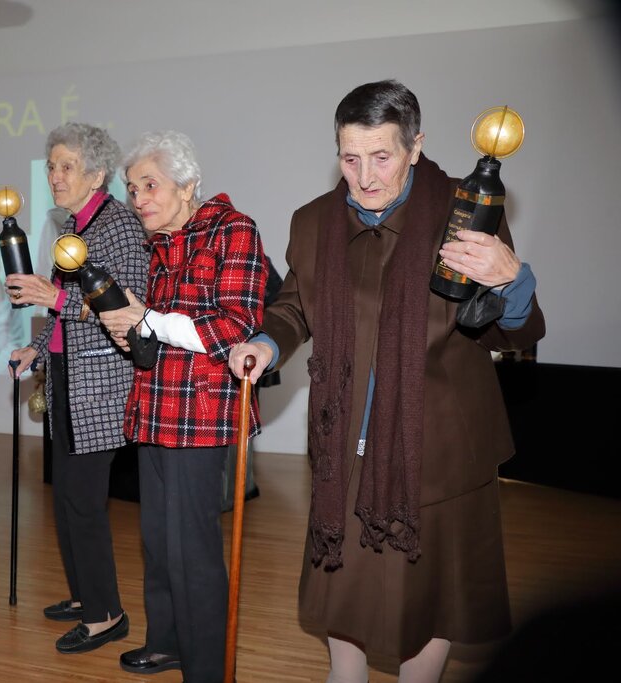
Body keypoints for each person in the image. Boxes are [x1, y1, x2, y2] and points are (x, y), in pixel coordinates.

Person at [228, 80, 545, 682]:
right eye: (350, 159)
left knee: (430, 593)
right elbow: (294, 307)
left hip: (439, 447)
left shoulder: (466, 215)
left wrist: (510, 280)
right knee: (342, 577)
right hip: (346, 441)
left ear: (415, 146)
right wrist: (266, 344)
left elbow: (513, 335)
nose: (366, 176)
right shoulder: (314, 222)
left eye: (382, 156)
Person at [100, 130, 267, 683]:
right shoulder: (159, 246)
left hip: (202, 416)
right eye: (132, 189)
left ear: (188, 184)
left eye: (150, 184)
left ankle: (208, 667)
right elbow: (162, 334)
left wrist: (148, 320)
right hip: (154, 409)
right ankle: (167, 642)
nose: (138, 197)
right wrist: (133, 331)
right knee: (157, 542)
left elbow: (234, 326)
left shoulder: (233, 229)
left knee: (191, 549)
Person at [7, 122, 148, 655]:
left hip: (103, 384)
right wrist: (36, 351)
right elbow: (63, 316)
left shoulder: (120, 225)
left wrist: (53, 298)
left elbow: (127, 308)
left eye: (67, 166)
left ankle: (105, 615)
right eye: (51, 166)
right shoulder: (74, 225)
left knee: (84, 502)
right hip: (68, 378)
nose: (55, 176)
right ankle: (87, 593)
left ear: (97, 173)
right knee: (67, 498)